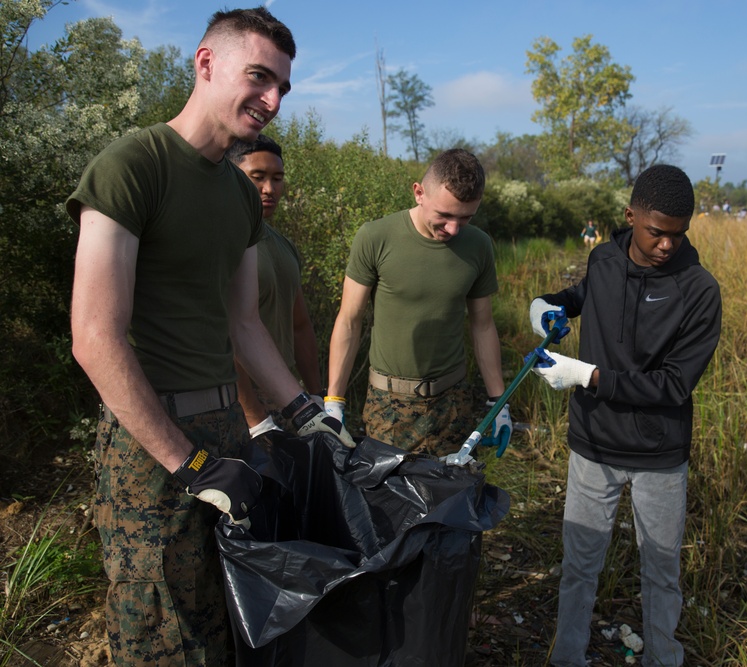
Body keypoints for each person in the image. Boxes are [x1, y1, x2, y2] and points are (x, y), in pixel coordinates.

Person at [68, 8, 350, 665]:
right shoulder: (133, 166)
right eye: (258, 76)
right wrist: (186, 463)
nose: (273, 99)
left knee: (228, 622)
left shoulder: (241, 197)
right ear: (205, 64)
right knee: (167, 633)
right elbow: (94, 336)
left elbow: (245, 325)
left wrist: (310, 414)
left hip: (227, 430)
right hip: (152, 446)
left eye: (282, 86)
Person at [528, 164, 722, 667]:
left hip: (660, 454)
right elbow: (584, 296)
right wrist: (547, 306)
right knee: (579, 565)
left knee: (661, 571)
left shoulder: (700, 291)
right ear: (630, 215)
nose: (667, 245)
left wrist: (586, 376)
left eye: (678, 235)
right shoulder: (603, 260)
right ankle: (566, 658)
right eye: (657, 232)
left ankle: (664, 658)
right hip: (593, 444)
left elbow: (674, 385)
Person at [325, 148, 510, 457]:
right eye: (445, 215)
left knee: (452, 500)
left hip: (453, 405)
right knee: (388, 501)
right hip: (388, 406)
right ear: (418, 193)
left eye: (465, 218)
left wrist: (499, 402)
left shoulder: (478, 246)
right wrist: (333, 402)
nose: (453, 229)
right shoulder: (375, 237)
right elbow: (349, 320)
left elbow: (483, 325)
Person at [226, 134, 324, 436]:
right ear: (230, 176)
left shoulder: (282, 246)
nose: (270, 189)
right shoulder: (222, 240)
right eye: (258, 177)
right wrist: (255, 418)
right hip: (237, 404)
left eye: (277, 178)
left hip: (287, 396)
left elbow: (300, 325)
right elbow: (223, 334)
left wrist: (317, 398)